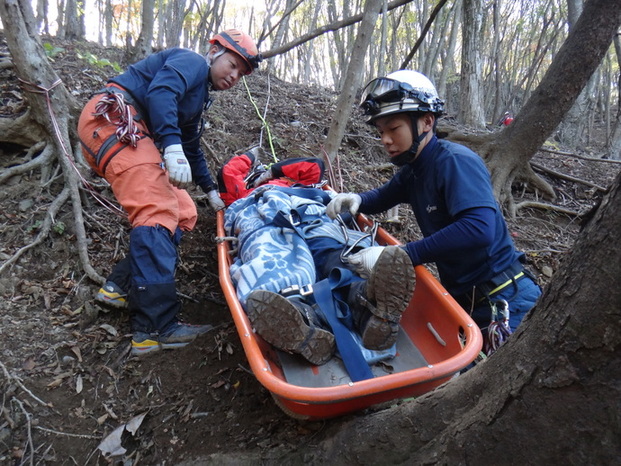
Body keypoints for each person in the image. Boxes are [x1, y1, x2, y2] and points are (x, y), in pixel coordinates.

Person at [77, 29, 262, 356]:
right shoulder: (190, 62)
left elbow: (190, 143)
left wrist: (210, 190)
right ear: (215, 50)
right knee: (157, 211)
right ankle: (153, 329)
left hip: (123, 131)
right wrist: (171, 149)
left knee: (184, 212)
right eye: (232, 64)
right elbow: (161, 92)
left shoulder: (197, 96)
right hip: (116, 122)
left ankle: (119, 288)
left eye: (241, 73)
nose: (234, 76)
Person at [326, 70, 541, 344]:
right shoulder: (415, 168)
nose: (385, 140)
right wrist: (357, 200)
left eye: (393, 129)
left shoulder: (454, 162)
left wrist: (401, 254)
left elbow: (478, 229)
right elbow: (384, 196)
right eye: (381, 132)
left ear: (426, 122)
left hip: (505, 297)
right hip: (469, 299)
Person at [219, 150, 416, 372]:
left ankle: (364, 306)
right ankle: (303, 318)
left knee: (335, 255)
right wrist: (248, 157)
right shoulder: (243, 193)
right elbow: (228, 174)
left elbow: (313, 165)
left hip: (308, 215)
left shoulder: (296, 183)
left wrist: (272, 171)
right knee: (275, 262)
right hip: (262, 221)